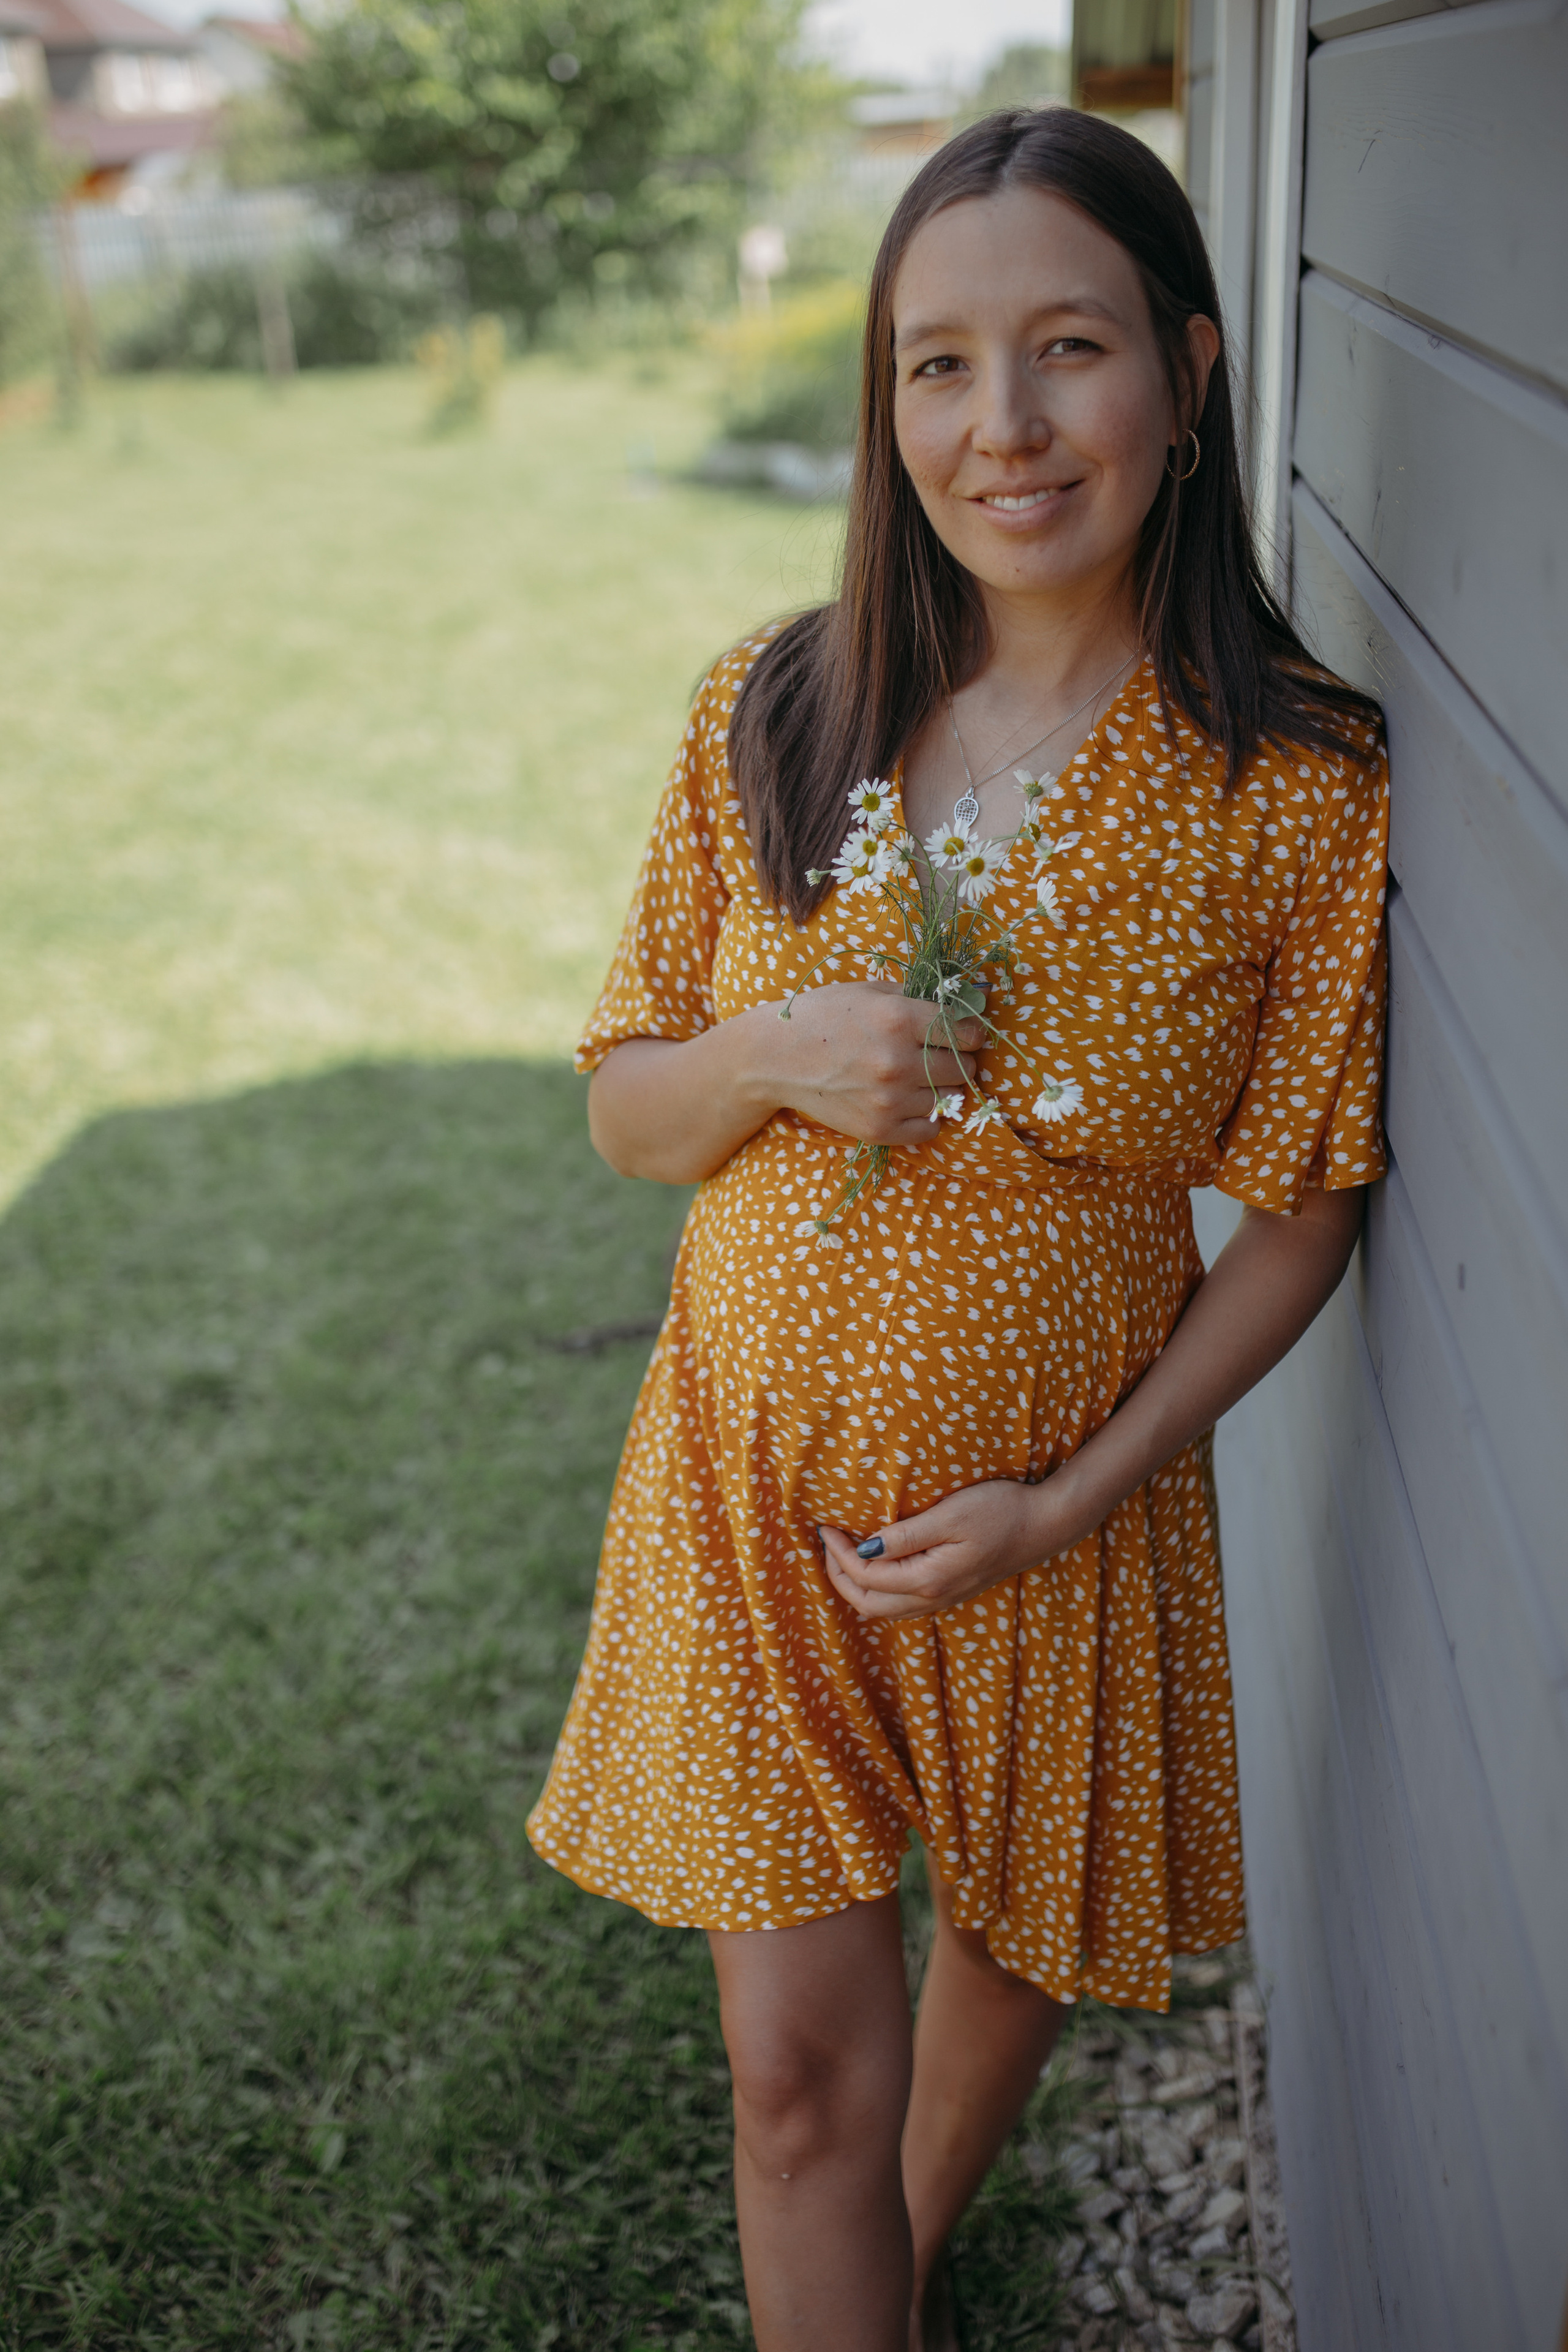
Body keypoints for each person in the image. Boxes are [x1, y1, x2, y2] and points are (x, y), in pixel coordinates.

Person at [527, 107, 1388, 2352]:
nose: (1001, 425)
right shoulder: (781, 708)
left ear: (1191, 373)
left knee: (1010, 1963)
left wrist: (1067, 1501)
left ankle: (891, 2274)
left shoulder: (1297, 792)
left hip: (1057, 1526)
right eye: (937, 364)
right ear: (886, 401)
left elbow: (1300, 1216)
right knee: (795, 2082)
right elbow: (627, 1110)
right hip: (748, 1493)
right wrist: (769, 1055)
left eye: (1068, 348)